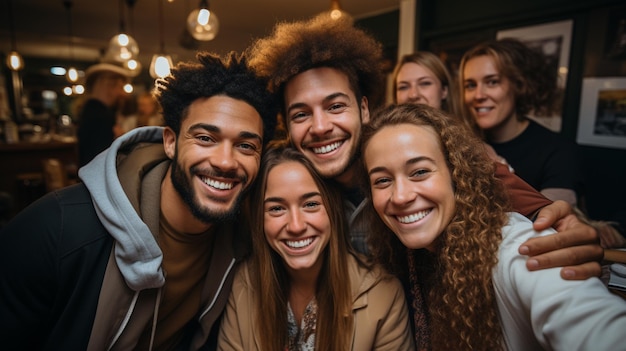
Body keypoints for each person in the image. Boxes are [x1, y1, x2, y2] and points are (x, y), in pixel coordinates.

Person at [247, 13, 602, 279]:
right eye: (301, 114)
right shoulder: (288, 182)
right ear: (287, 127)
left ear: (365, 108)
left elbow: (526, 202)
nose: (321, 126)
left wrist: (559, 225)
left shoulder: (420, 152)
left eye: (336, 106)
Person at [0, 51, 278, 350]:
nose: (225, 161)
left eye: (246, 145)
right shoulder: (58, 228)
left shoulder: (248, 241)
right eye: (205, 138)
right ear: (170, 142)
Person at [361, 103, 626, 350]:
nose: (400, 196)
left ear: (457, 174)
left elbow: (595, 324)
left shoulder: (514, 244)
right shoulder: (403, 252)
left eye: (419, 172)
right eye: (382, 180)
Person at [218, 146, 413, 350]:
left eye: (311, 204)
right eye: (276, 209)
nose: (296, 226)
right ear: (259, 220)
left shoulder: (383, 293)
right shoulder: (244, 284)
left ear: (333, 210)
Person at [459, 38, 584, 207]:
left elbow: (552, 222)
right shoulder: (462, 143)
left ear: (519, 85)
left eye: (492, 82)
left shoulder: (559, 151)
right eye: (470, 85)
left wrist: (501, 170)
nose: (478, 95)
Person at [77, 62, 130, 166]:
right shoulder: (103, 116)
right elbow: (104, 158)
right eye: (120, 87)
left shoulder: (88, 111)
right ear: (107, 85)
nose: (122, 93)